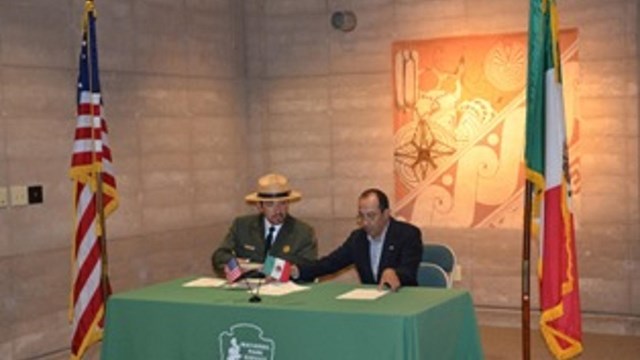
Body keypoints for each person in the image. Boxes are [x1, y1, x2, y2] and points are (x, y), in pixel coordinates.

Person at [292, 188, 422, 291]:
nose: (365, 222)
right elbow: (330, 263)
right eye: (361, 216)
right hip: (371, 305)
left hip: (401, 299)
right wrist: (298, 271)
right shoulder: (358, 239)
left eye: (371, 216)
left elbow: (409, 270)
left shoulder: (407, 234)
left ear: (386, 214)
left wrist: (394, 273)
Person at [211, 173, 318, 276]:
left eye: (282, 203)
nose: (278, 210)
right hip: (248, 287)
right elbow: (219, 257)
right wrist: (234, 264)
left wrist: (267, 268)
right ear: (259, 206)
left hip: (284, 289)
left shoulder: (303, 232)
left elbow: (308, 267)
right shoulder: (242, 226)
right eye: (270, 204)